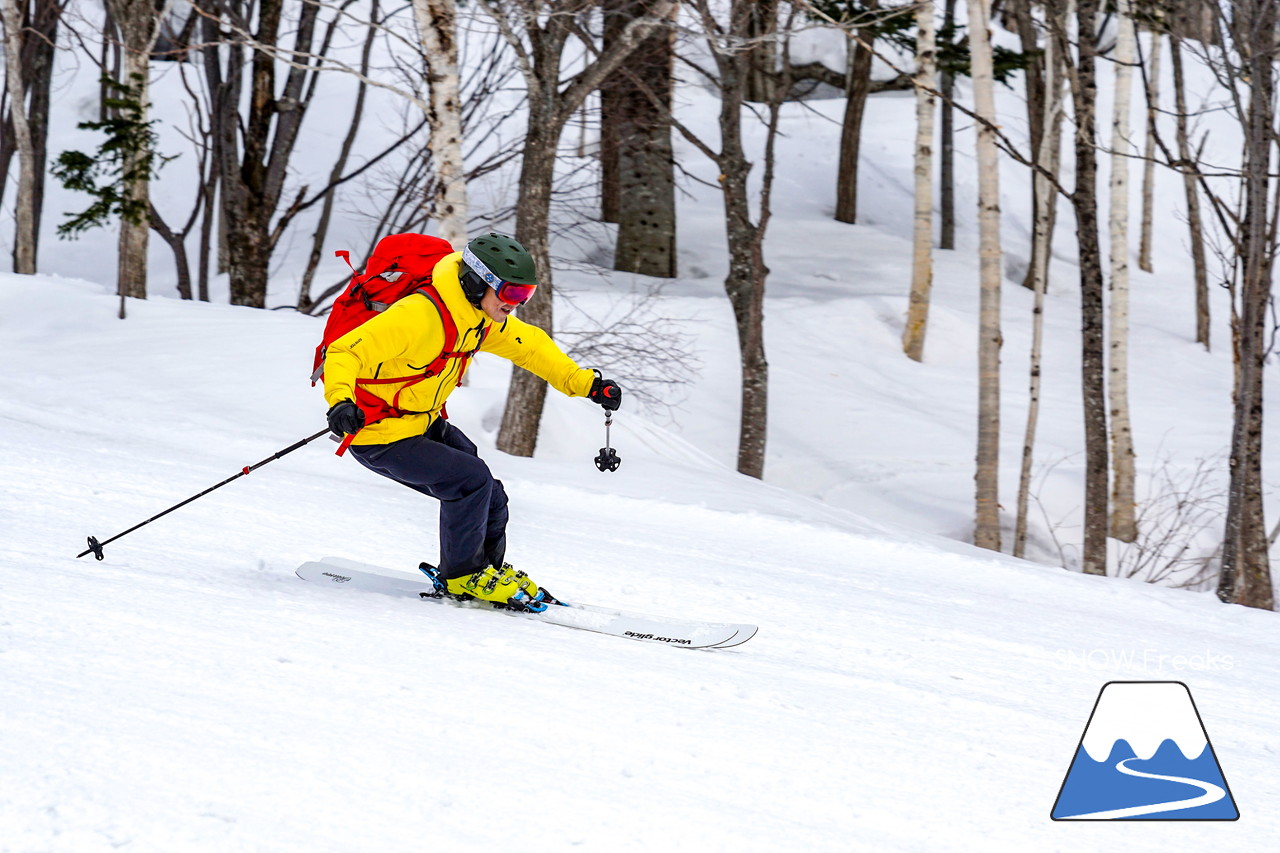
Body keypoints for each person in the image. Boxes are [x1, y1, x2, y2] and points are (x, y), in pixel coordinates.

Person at [322, 232, 622, 612]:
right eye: (511, 294)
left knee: (491, 494)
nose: (517, 305)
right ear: (476, 282)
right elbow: (345, 351)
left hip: (420, 423)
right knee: (469, 481)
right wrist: (341, 402)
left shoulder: (478, 316)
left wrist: (585, 384)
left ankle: (487, 571)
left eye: (525, 295)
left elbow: (530, 346)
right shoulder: (419, 315)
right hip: (377, 432)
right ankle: (462, 576)